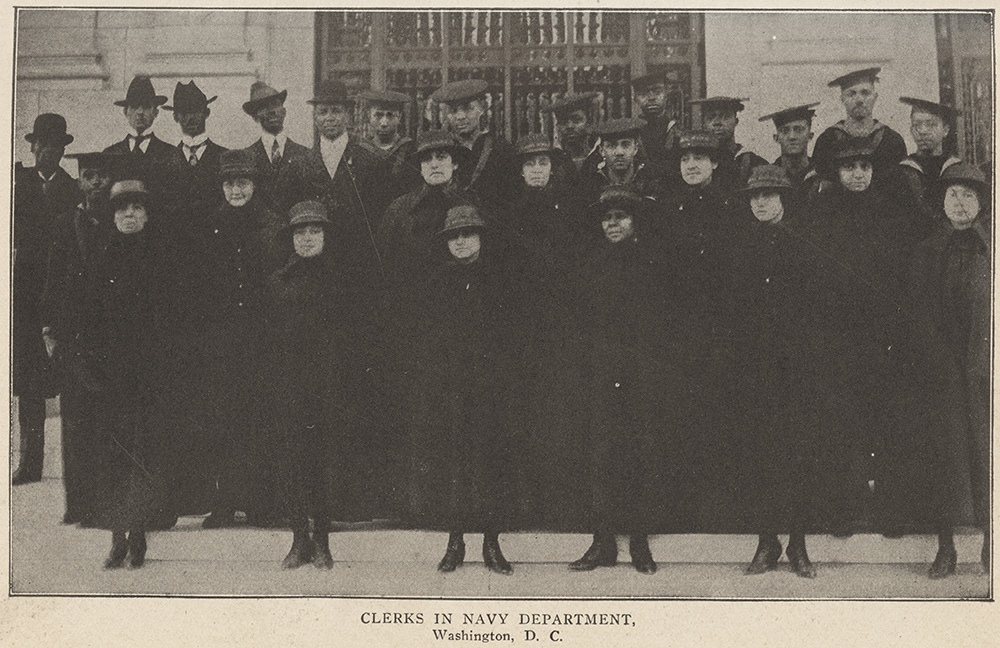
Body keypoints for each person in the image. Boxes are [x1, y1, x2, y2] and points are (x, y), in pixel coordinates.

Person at [53, 179, 171, 569]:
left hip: (151, 376)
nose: (130, 215)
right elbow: (81, 318)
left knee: (144, 456)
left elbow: (177, 318)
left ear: (147, 215)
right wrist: (88, 368)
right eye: (122, 210)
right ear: (112, 216)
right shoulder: (99, 260)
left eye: (137, 209)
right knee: (112, 457)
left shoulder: (162, 258)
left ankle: (139, 535)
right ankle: (117, 538)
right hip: (109, 377)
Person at [804, 140, 918, 536]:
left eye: (864, 167)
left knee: (885, 422)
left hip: (882, 337)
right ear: (836, 173)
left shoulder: (891, 213)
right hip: (838, 338)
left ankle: (891, 510)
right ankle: (842, 509)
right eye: (849, 167)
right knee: (840, 424)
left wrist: (894, 330)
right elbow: (815, 279)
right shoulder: (821, 214)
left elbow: (901, 278)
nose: (857, 174)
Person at [169, 148, 286, 528]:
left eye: (243, 182)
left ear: (255, 184)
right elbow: (197, 285)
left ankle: (261, 502)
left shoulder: (272, 224)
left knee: (261, 418)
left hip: (262, 337)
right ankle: (224, 501)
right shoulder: (209, 225)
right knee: (222, 421)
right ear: (221, 186)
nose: (236, 190)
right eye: (230, 183)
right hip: (220, 340)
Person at [569, 187, 683, 575]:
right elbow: (579, 324)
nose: (613, 224)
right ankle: (602, 541)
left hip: (641, 375)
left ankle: (638, 541)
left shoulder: (652, 263)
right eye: (607, 218)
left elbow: (665, 324)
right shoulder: (589, 264)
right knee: (600, 455)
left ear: (634, 222)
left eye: (621, 217)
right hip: (600, 374)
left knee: (640, 454)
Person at [263, 201, 376, 569]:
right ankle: (299, 540)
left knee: (327, 462)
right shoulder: (279, 280)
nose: (308, 239)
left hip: (331, 385)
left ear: (326, 236)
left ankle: (323, 541)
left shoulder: (345, 281)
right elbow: (268, 337)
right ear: (291, 238)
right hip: (291, 384)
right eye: (300, 232)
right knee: (294, 461)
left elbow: (359, 338)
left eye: (315, 231)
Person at [408, 204, 519, 574]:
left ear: (481, 238)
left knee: (491, 463)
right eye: (454, 236)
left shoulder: (502, 280)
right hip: (450, 387)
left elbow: (516, 339)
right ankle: (455, 542)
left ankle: (491, 542)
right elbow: (425, 340)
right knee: (452, 463)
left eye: (467, 234)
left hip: (491, 387)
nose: (460, 242)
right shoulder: (436, 281)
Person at [732, 165, 821, 578]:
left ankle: (798, 544)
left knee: (799, 452)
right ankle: (767, 542)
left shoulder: (806, 244)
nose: (761, 203)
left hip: (797, 365)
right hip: (754, 367)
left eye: (769, 196)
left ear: (784, 199)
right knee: (759, 452)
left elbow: (821, 309)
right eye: (755, 197)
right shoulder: (739, 247)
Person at [907, 163, 990, 578]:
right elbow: (918, 313)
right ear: (941, 202)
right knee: (945, 457)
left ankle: (992, 542)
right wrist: (936, 361)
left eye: (969, 196)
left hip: (984, 369)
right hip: (942, 371)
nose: (960, 203)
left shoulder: (990, 249)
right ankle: (946, 547)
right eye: (953, 195)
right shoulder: (927, 251)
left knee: (988, 454)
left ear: (982, 203)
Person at [41, 151, 116, 522]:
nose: (96, 183)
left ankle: (105, 504)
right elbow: (53, 281)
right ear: (80, 182)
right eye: (89, 176)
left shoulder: (121, 222)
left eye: (102, 177)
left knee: (108, 421)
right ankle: (79, 505)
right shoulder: (62, 224)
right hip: (74, 338)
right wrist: (50, 331)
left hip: (110, 339)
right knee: (75, 423)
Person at [13, 113, 80, 486]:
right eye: (42, 144)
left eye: (55, 146)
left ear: (62, 150)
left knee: (66, 377)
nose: (47, 151)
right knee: (28, 383)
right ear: (33, 146)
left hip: (59, 293)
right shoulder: (17, 185)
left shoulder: (73, 190)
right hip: (25, 294)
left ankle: (76, 467)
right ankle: (30, 463)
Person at [306, 79, 387, 288]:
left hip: (359, 266)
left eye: (336, 111)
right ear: (315, 117)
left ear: (348, 115)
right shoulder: (301, 163)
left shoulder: (370, 161)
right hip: (315, 265)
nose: (329, 118)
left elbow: (380, 216)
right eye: (323, 112)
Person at [430, 78, 520, 210]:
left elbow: (512, 196)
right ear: (447, 116)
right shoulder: (443, 151)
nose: (460, 116)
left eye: (468, 109)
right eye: (454, 111)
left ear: (481, 109)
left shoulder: (501, 148)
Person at [811, 68, 907, 189]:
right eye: (851, 94)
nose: (859, 100)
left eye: (865, 93)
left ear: (875, 97)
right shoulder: (827, 140)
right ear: (842, 99)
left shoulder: (892, 140)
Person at [102, 76, 185, 214]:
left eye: (146, 107)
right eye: (134, 107)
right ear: (126, 112)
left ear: (155, 113)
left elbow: (176, 199)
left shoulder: (171, 153)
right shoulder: (110, 153)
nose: (140, 112)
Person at [241, 81, 324, 216]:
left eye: (275, 105)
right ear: (255, 117)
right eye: (264, 107)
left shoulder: (306, 155)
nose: (272, 111)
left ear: (284, 111)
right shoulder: (246, 158)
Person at [893, 97, 963, 228]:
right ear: (911, 130)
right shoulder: (901, 172)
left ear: (946, 130)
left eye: (931, 124)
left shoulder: (958, 168)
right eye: (917, 125)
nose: (923, 131)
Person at [163, 80, 228, 218]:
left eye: (196, 111)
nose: (191, 118)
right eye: (184, 112)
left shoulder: (224, 157)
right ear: (175, 117)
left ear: (206, 113)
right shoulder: (165, 160)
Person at [577, 117, 668, 206]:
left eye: (626, 145)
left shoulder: (651, 182)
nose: (619, 152)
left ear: (635, 149)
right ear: (602, 151)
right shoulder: (591, 185)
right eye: (611, 145)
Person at [688, 96, 767, 193]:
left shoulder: (751, 162)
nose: (717, 123)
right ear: (704, 123)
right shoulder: (693, 165)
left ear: (736, 122)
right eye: (711, 117)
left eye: (725, 117)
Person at [356, 88, 421, 196]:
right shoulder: (360, 151)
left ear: (399, 117)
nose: (384, 123)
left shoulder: (411, 150)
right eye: (378, 115)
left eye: (390, 115)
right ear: (369, 116)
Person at [757, 102, 823, 206]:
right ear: (776, 138)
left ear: (810, 136)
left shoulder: (821, 174)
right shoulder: (767, 177)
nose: (792, 136)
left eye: (798, 130)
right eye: (785, 131)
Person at [539, 92, 600, 174]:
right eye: (563, 122)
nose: (569, 126)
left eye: (576, 120)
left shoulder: (600, 156)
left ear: (588, 123)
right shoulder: (553, 161)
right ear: (557, 126)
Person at [630, 69, 680, 167]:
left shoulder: (676, 130)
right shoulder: (631, 132)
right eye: (644, 94)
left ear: (666, 94)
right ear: (635, 98)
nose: (651, 98)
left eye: (657, 92)